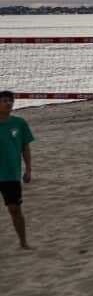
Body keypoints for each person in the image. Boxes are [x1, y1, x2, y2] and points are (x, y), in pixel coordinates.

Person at [1, 90, 35, 250]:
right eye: (5, 101)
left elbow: (25, 147)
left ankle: (23, 241)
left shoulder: (19, 123)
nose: (9, 103)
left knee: (14, 209)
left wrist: (28, 169)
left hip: (10, 174)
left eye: (11, 101)